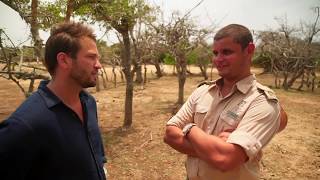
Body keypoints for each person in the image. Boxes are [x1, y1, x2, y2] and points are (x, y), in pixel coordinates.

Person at [164, 24, 287, 180]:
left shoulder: (262, 102)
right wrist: (213, 148)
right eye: (215, 53)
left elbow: (226, 159)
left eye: (227, 52)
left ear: (249, 50)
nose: (218, 60)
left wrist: (190, 129)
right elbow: (169, 134)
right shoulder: (203, 91)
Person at [0, 22, 107, 180]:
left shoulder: (88, 102)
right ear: (64, 60)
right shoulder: (25, 125)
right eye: (91, 57)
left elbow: (96, 157)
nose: (99, 65)